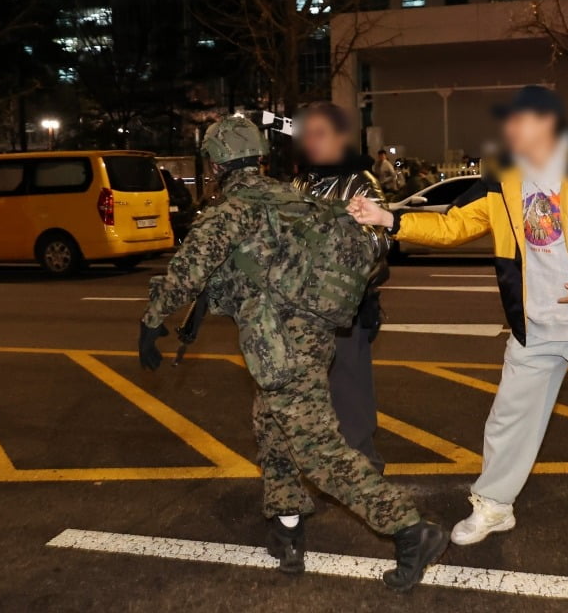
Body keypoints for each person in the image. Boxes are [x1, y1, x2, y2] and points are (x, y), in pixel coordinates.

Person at [348, 86, 568, 576]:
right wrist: (388, 219)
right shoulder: (503, 180)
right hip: (535, 325)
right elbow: (454, 225)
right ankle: (494, 505)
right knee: (510, 418)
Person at [137, 115, 446, 590]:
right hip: (316, 335)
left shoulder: (231, 211)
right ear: (260, 157)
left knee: (317, 449)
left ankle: (408, 529)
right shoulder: (295, 198)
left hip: (278, 344)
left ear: (216, 163)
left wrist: (152, 320)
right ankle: (286, 526)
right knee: (271, 424)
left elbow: (187, 272)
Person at [292, 102, 389, 473]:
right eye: (308, 134)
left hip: (344, 307)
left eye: (321, 133)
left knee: (350, 393)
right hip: (302, 308)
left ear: (341, 137)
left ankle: (364, 470)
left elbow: (378, 242)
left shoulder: (360, 183)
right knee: (307, 392)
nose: (312, 142)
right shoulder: (304, 180)